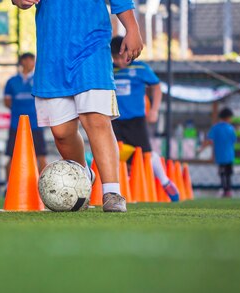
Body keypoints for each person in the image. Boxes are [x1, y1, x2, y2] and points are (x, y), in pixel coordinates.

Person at [11, 0, 144, 213]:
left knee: (96, 118)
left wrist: (132, 28)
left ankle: (112, 192)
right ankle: (83, 174)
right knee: (61, 133)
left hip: (93, 47)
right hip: (52, 54)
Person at [110, 36, 180, 202]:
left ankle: (165, 182)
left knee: (145, 154)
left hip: (136, 119)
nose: (120, 62)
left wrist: (154, 110)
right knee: (116, 154)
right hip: (114, 119)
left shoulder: (141, 68)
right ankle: (123, 190)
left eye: (123, 57)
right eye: (116, 58)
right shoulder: (108, 69)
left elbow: (156, 87)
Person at [4, 53, 47, 179]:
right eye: (26, 60)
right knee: (12, 156)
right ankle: (8, 186)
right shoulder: (12, 82)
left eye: (32, 60)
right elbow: (7, 102)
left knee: (41, 156)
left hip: (36, 125)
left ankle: (42, 186)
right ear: (21, 62)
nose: (29, 63)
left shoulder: (39, 80)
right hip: (16, 125)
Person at [198, 108, 237, 198]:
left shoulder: (215, 128)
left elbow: (209, 140)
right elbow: (234, 140)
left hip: (219, 155)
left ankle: (224, 189)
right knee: (228, 174)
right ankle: (228, 190)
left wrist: (201, 149)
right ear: (228, 118)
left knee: (222, 173)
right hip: (229, 156)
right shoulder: (230, 129)